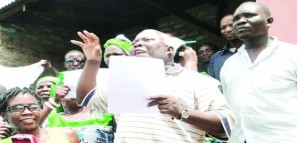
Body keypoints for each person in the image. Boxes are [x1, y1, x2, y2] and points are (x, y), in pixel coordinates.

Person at [72, 30, 234, 142]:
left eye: (147, 40)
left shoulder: (197, 80)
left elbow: (225, 126)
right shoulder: (124, 81)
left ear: (169, 49)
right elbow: (86, 97)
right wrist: (93, 61)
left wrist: (182, 113)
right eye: (135, 43)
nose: (138, 44)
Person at [220, 2, 300, 142]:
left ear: (268, 21)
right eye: (236, 19)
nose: (241, 21)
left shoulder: (293, 55)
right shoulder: (229, 65)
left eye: (249, 15)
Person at [0, 87, 79, 143]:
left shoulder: (67, 135)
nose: (27, 112)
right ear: (4, 115)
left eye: (34, 107)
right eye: (17, 108)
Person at [208, 14, 243, 81]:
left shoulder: (253, 51)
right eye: (223, 28)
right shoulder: (215, 58)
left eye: (231, 25)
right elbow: (213, 85)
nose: (227, 30)